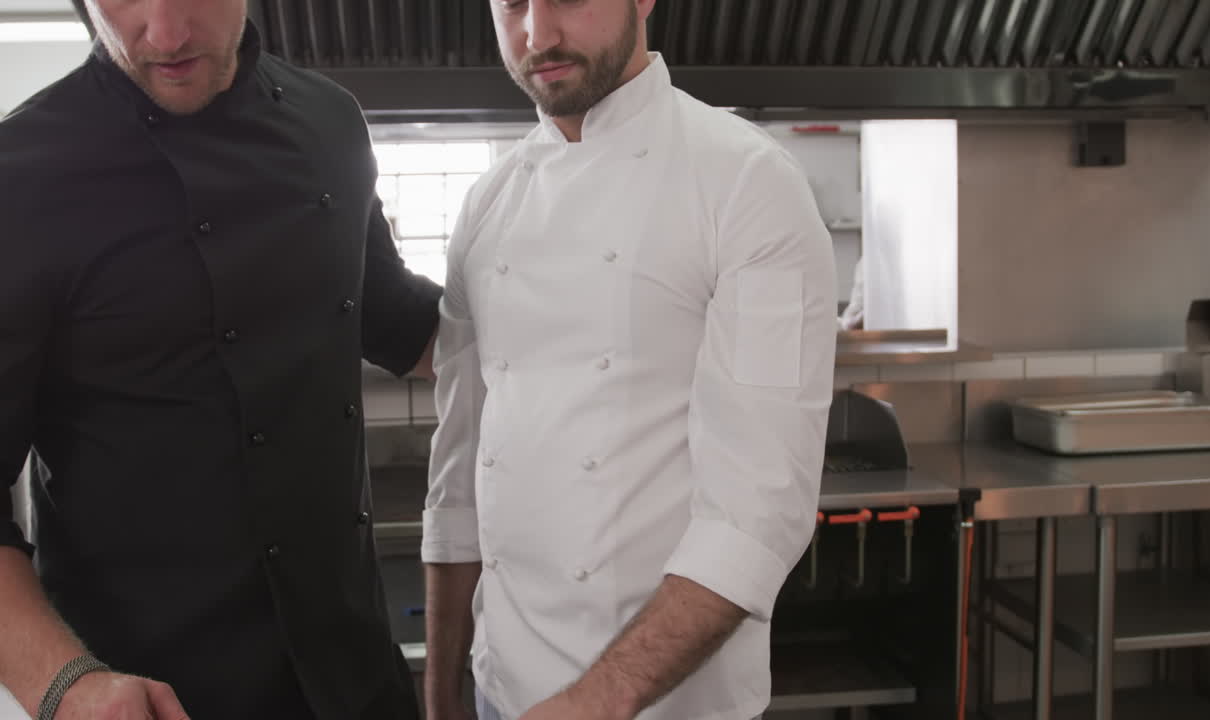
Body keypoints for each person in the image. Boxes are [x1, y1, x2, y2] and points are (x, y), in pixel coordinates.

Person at [0, 1, 441, 718]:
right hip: (150, 693)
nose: (167, 34)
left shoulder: (329, 120)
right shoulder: (18, 174)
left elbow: (396, 317)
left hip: (354, 675)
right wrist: (63, 684)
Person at [421, 1, 837, 719]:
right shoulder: (488, 205)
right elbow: (458, 473)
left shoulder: (748, 182)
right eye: (513, 3)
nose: (537, 35)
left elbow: (759, 508)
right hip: (502, 689)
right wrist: (440, 691)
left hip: (664, 705)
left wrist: (598, 700)